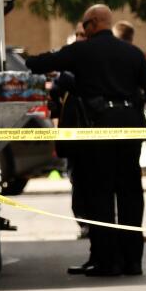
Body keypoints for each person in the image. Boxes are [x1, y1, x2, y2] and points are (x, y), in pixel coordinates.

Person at [26, 4, 146, 277]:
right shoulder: (132, 52)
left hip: (98, 128)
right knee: (130, 194)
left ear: (92, 24)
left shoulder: (82, 51)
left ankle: (107, 261)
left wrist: (22, 59)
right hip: (129, 128)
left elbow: (41, 64)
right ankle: (133, 261)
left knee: (100, 194)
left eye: (85, 26)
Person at [49, 23, 90, 235]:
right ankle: (84, 223)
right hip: (72, 134)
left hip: (96, 134)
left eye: (85, 35)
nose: (81, 38)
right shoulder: (66, 68)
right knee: (77, 180)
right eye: (78, 35)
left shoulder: (97, 62)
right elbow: (55, 97)